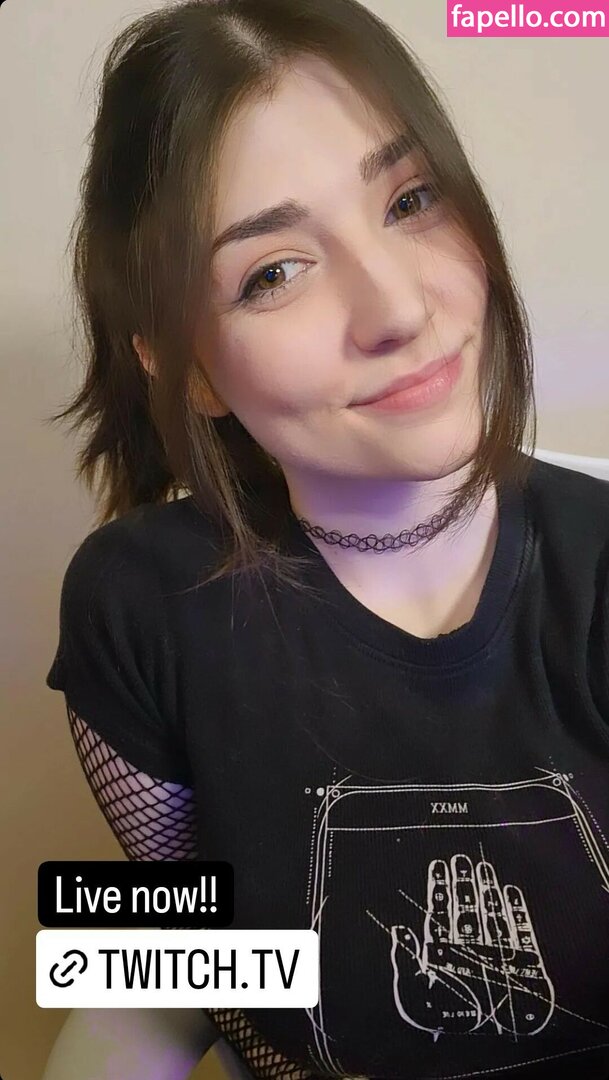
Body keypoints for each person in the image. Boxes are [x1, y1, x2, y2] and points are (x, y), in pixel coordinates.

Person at [43, 0, 609, 1077]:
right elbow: (183, 951)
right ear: (185, 367)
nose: (397, 307)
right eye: (273, 271)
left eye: (410, 200)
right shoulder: (139, 606)